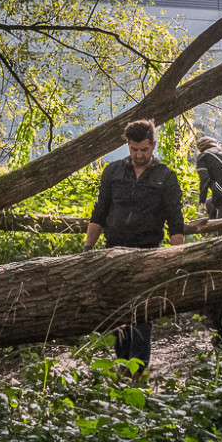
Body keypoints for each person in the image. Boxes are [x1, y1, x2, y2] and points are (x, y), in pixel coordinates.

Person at [82, 119, 185, 371]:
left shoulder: (166, 177)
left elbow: (175, 221)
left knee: (141, 315)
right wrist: (87, 248)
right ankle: (121, 365)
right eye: (133, 149)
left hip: (147, 253)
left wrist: (177, 257)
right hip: (113, 252)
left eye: (144, 150)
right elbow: (100, 212)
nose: (139, 155)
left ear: (153, 145)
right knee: (119, 313)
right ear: (127, 146)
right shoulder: (113, 172)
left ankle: (137, 372)